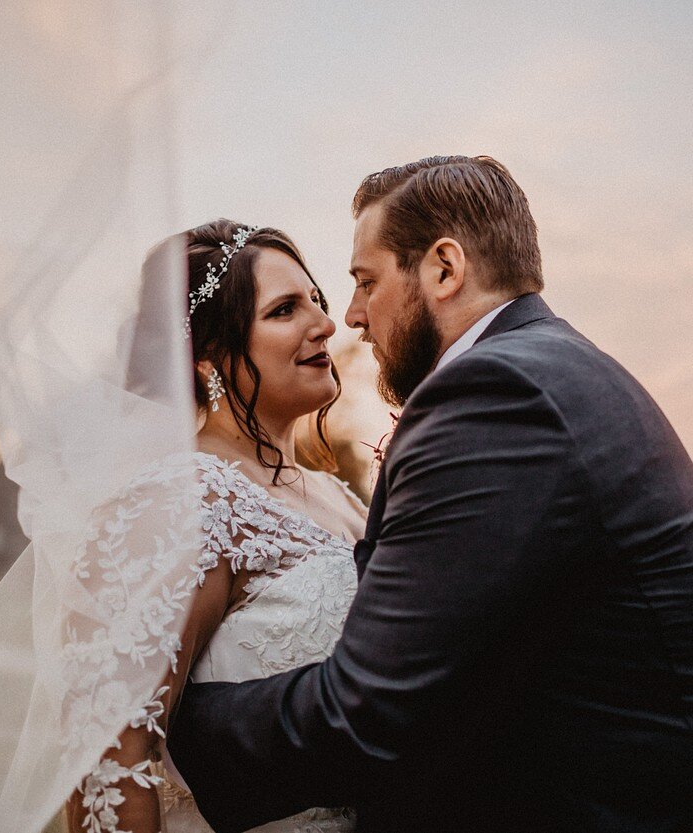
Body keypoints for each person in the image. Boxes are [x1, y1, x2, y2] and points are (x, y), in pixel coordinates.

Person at [165, 156, 693, 833]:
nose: (347, 317)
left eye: (363, 283)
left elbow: (370, 713)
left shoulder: (497, 395)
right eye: (289, 307)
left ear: (444, 269)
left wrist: (173, 725)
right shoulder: (554, 367)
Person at [65, 220, 367, 833]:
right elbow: (111, 758)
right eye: (285, 310)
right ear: (208, 358)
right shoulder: (180, 502)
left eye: (319, 302)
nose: (325, 325)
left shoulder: (344, 499)